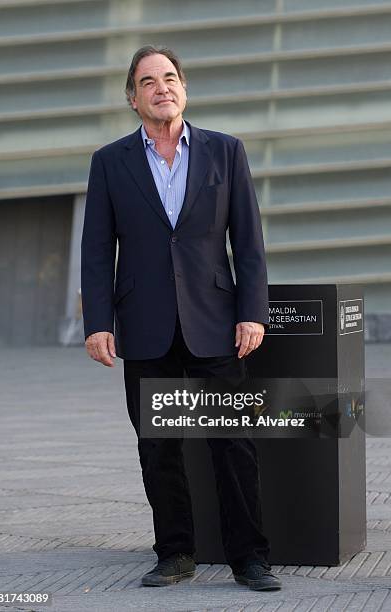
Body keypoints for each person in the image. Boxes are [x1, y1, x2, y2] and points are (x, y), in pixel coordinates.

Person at [81, 45, 281, 592]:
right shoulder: (110, 162)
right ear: (132, 97)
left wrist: (252, 312)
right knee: (158, 446)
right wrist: (98, 322)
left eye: (170, 78)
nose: (162, 87)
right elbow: (97, 250)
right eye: (148, 81)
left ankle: (250, 558)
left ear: (184, 89)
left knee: (232, 443)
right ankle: (175, 553)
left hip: (215, 321)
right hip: (144, 325)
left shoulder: (225, 152)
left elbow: (250, 242)